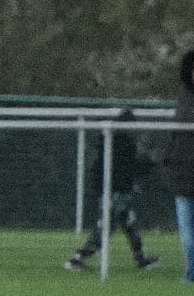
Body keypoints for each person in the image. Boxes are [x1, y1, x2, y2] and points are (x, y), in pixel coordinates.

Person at [63, 111, 161, 272]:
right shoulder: (122, 144)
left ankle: (141, 259)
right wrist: (150, 163)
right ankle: (78, 259)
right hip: (116, 193)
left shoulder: (109, 143)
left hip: (114, 191)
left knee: (128, 224)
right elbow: (129, 169)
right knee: (107, 226)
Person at [169, 49, 194, 284]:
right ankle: (191, 272)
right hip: (183, 176)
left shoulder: (184, 99)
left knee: (188, 232)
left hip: (183, 175)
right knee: (187, 233)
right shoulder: (183, 97)